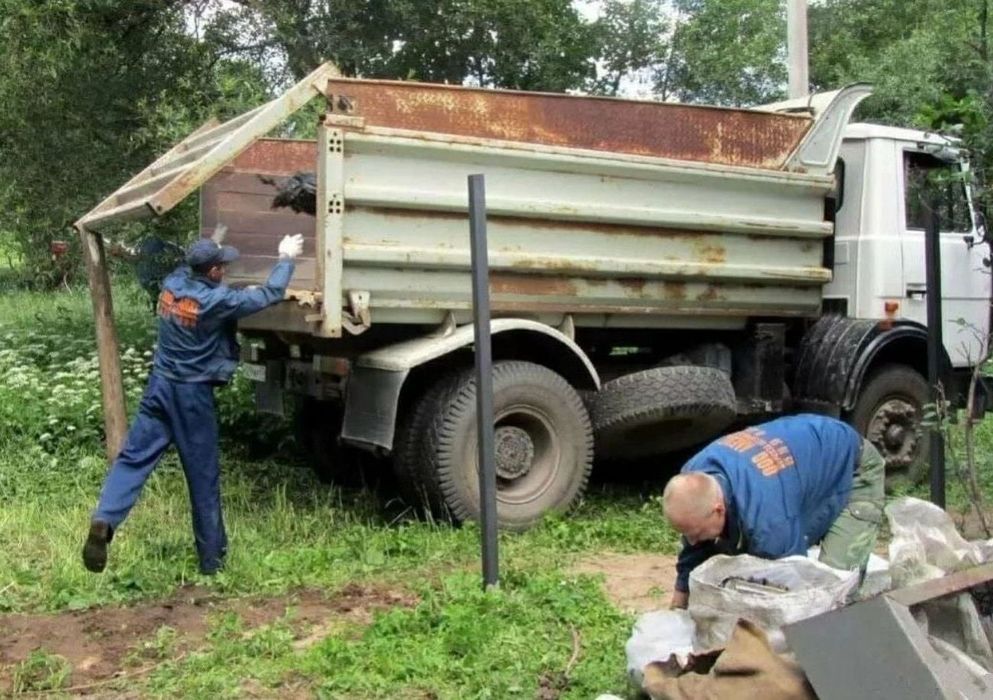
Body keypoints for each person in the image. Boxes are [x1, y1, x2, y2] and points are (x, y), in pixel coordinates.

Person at [82, 232, 304, 575]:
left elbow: (203, 286)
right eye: (223, 266)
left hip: (159, 387)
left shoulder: (172, 284)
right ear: (213, 271)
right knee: (202, 477)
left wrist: (214, 245)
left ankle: (104, 518)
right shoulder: (216, 302)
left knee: (132, 459)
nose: (226, 270)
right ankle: (212, 563)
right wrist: (286, 257)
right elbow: (270, 294)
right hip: (191, 396)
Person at [663, 413, 885, 609]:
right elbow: (695, 550)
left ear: (718, 510)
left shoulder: (770, 522)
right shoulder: (695, 476)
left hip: (854, 466)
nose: (691, 542)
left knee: (832, 591)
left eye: (696, 534)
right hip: (805, 458)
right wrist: (679, 604)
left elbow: (795, 591)